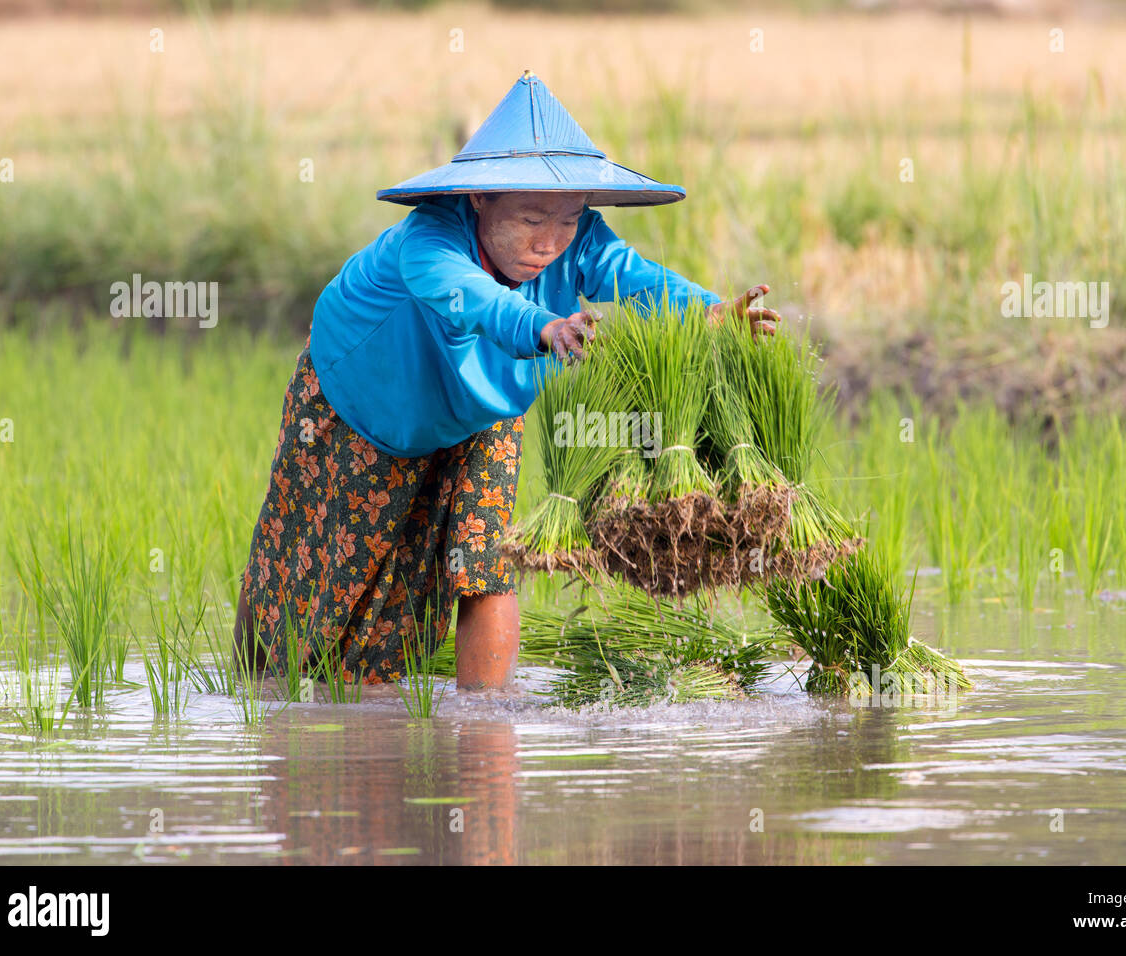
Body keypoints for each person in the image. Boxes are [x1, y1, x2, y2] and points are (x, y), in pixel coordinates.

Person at [233, 70, 781, 692]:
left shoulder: (576, 241)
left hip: (485, 406)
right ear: (479, 199)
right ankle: (253, 708)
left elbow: (633, 275)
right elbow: (474, 300)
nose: (550, 241)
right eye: (529, 218)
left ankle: (484, 733)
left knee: (484, 565)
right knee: (309, 584)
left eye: (568, 219)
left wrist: (710, 313)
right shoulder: (428, 241)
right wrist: (546, 328)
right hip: (366, 405)